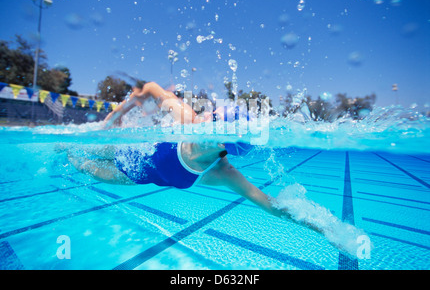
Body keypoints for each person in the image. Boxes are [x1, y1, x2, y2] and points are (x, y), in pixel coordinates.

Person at [61, 81, 368, 257]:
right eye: (211, 114)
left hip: (133, 177)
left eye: (213, 122)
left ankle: (68, 158)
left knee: (82, 165)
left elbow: (274, 207)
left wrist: (327, 228)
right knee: (79, 148)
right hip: (121, 148)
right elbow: (152, 89)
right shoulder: (187, 119)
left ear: (224, 143)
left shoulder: (223, 173)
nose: (205, 120)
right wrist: (118, 115)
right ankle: (64, 149)